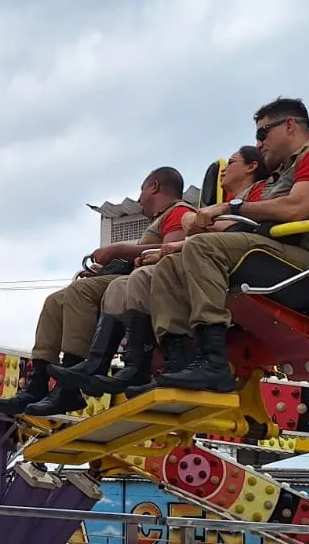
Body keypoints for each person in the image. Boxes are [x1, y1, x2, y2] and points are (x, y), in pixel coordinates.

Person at [138, 98, 309, 394]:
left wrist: (227, 207)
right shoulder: (279, 176)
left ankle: (213, 362)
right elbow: (251, 226)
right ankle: (175, 364)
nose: (260, 143)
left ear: (290, 125)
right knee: (169, 267)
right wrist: (183, 244)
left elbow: (295, 208)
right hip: (274, 254)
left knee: (202, 248)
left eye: (263, 133)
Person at [50, 146, 270, 400]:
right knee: (94, 291)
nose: (223, 171)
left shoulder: (253, 196)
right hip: (207, 260)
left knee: (136, 279)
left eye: (232, 162)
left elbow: (230, 232)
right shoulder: (224, 206)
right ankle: (119, 367)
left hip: (229, 262)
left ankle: (142, 365)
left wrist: (131, 249)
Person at [0, 166, 189, 416]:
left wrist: (117, 250)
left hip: (145, 284)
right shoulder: (160, 218)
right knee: (55, 301)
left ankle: (70, 386)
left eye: (142, 190)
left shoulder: (178, 212)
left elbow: (168, 252)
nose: (140, 199)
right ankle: (38, 382)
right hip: (130, 278)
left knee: (81, 292)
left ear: (154, 186)